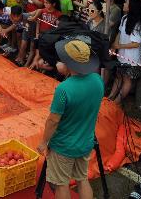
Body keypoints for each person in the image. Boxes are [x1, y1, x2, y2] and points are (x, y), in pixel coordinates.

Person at [37, 39, 104, 199]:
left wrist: (43, 142)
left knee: (61, 184)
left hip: (63, 146)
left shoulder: (64, 89)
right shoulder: (97, 81)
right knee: (82, 179)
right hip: (85, 142)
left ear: (68, 63)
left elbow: (53, 120)